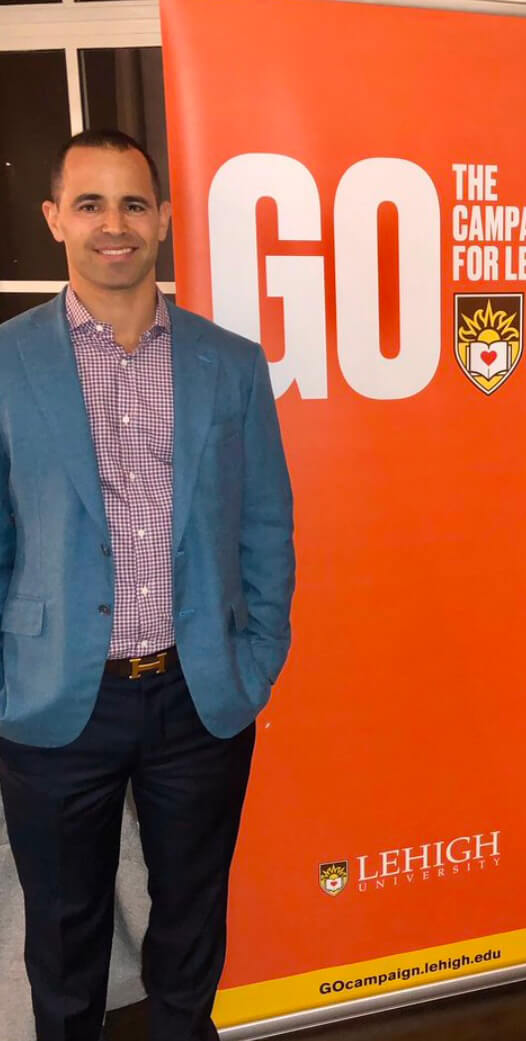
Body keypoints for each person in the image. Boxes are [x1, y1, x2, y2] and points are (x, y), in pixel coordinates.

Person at [0, 129, 295, 1041]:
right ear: (55, 219)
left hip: (197, 696)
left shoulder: (231, 363)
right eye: (89, 203)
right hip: (53, 699)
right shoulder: (6, 363)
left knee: (190, 921)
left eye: (133, 203)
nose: (113, 225)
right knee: (63, 932)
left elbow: (266, 527)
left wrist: (253, 663)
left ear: (163, 218)